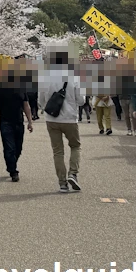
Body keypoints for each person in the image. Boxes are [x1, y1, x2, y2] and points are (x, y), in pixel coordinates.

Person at [37, 45, 85, 193]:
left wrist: (49, 108)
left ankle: (62, 183)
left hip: (52, 118)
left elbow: (41, 100)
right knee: (75, 146)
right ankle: (73, 174)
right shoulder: (75, 77)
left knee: (58, 151)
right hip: (70, 118)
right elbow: (82, 100)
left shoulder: (45, 78)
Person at [0, 75, 34, 182]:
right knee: (9, 148)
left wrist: (30, 121)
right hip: (5, 122)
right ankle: (13, 171)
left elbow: (26, 105)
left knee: (18, 148)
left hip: (19, 122)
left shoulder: (20, 88)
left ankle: (12, 163)